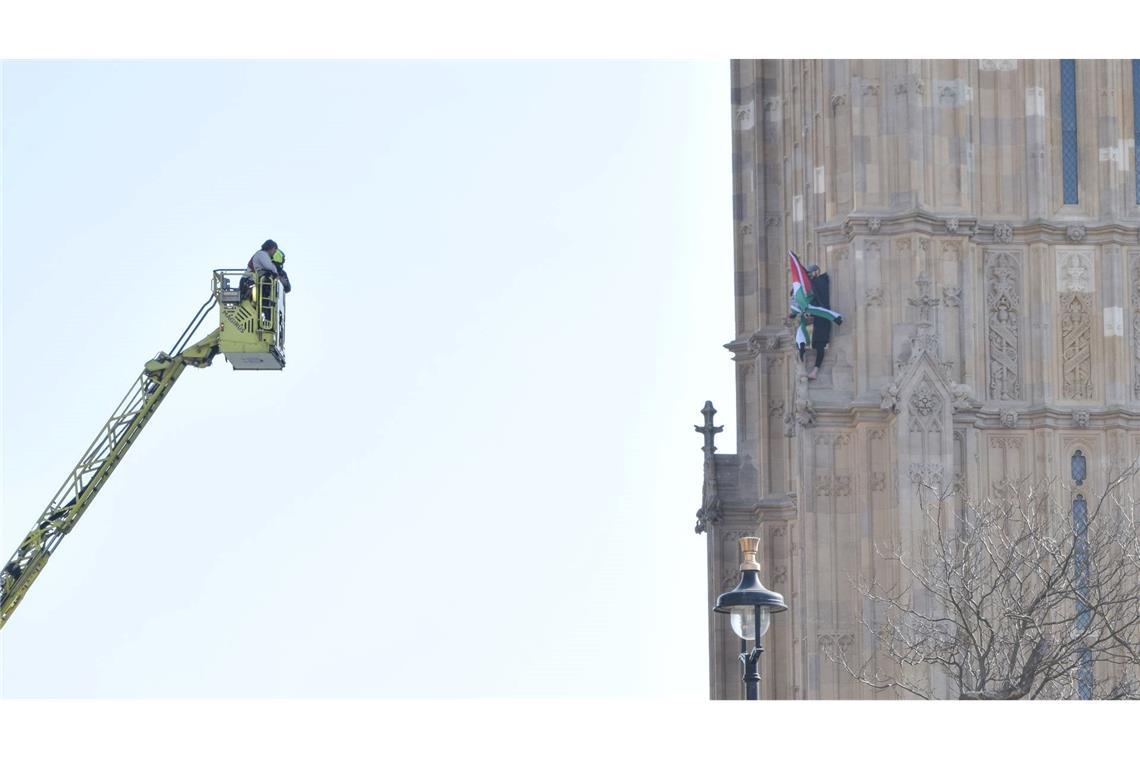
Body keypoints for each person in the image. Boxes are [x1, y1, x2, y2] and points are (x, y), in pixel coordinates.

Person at [788, 264, 843, 381]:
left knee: (820, 346)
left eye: (810, 273)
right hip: (808, 320)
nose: (808, 275)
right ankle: (802, 368)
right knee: (801, 343)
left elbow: (821, 306)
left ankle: (815, 371)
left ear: (816, 272)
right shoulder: (807, 286)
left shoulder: (821, 281)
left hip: (821, 319)